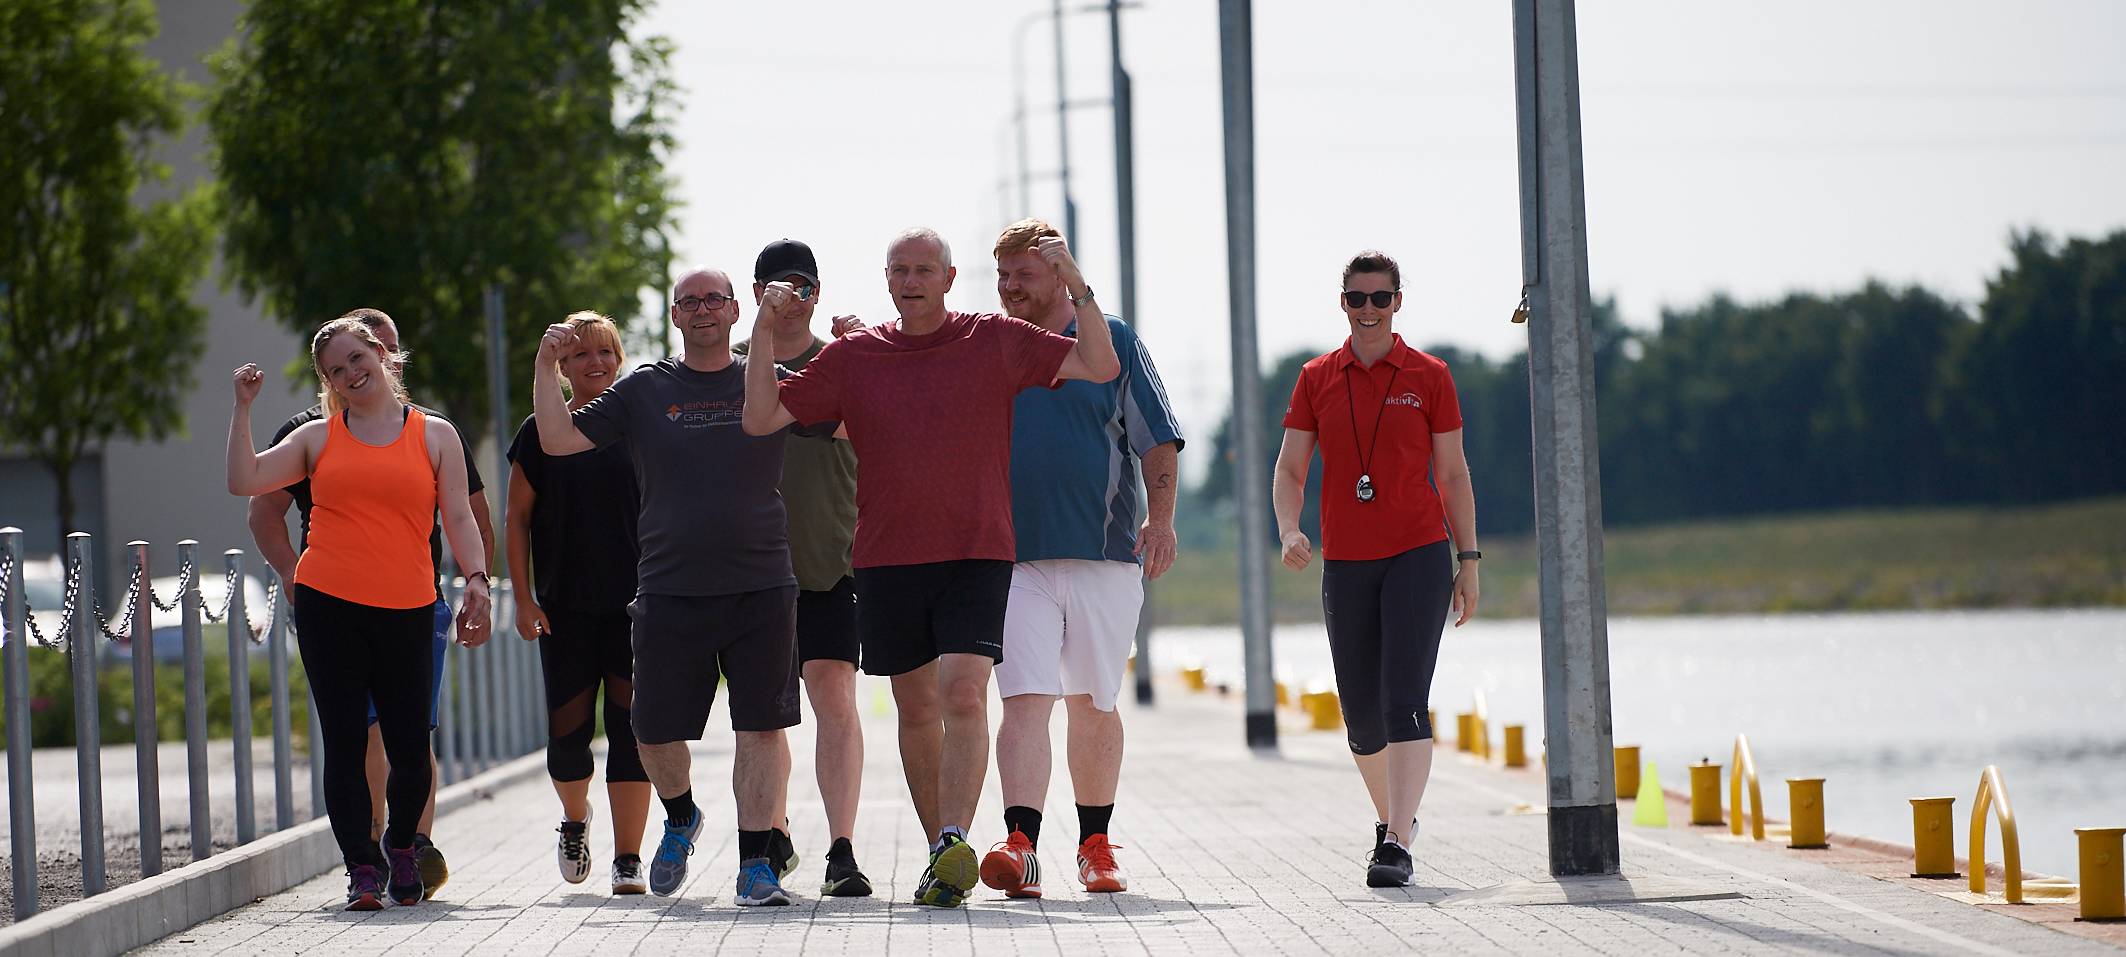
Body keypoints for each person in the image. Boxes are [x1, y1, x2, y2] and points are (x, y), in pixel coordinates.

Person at [742, 226, 1120, 908]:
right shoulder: (858, 356)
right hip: (887, 557)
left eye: (924, 269)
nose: (911, 279)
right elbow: (762, 415)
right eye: (900, 270)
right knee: (916, 706)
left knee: (965, 693)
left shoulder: (995, 338)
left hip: (978, 550)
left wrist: (1077, 282)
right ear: (888, 281)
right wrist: (764, 329)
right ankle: (938, 853)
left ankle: (954, 835)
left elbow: (1099, 364)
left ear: (948, 278)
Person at [532, 268, 822, 907]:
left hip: (761, 581)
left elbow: (851, 420)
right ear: (674, 315)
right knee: (652, 730)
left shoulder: (766, 377)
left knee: (761, 727)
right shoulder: (643, 389)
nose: (702, 311)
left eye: (713, 300)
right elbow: (555, 439)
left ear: (734, 310)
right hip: (669, 585)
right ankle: (683, 815)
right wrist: (545, 364)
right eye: (688, 302)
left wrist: (800, 334)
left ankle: (756, 866)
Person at [226, 318, 492, 910]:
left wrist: (477, 580)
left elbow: (460, 516)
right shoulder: (316, 438)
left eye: (356, 358)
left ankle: (401, 845)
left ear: (382, 354)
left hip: (408, 607)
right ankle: (362, 870)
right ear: (329, 382)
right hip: (329, 607)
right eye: (336, 370)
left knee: (409, 746)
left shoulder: (435, 434)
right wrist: (243, 409)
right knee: (344, 742)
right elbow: (244, 481)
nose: (351, 373)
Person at [978, 219, 1184, 900]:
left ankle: (1096, 845)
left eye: (1023, 276)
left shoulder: (1113, 341)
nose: (1009, 288)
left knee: (1093, 701)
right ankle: (1022, 844)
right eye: (1002, 276)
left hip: (1104, 556)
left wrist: (1161, 518)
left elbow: (1157, 438)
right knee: (1025, 700)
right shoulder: (995, 344)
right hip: (1014, 559)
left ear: (1062, 276)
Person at [1270, 250, 1481, 888]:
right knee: (1360, 714)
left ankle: (1393, 842)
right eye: (1357, 299)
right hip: (1347, 562)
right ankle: (1396, 820)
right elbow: (1289, 469)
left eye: (1380, 299)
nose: (1368, 310)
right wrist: (1289, 528)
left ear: (1397, 303)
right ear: (1343, 302)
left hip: (1418, 553)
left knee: (1402, 701)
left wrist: (1467, 560)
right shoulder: (1316, 377)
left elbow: (1451, 474)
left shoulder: (1430, 375)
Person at [733, 239, 873, 897]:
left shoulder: (845, 362)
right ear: (755, 292)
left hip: (830, 562)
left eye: (803, 288)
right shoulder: (730, 367)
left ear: (818, 293)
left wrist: (867, 353)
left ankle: (841, 847)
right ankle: (775, 829)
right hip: (749, 570)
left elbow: (872, 428)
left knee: (834, 696)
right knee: (765, 713)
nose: (790, 301)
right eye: (776, 289)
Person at [505, 311, 653, 895]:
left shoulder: (640, 424)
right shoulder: (540, 431)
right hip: (563, 608)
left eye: (606, 353)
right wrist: (522, 598)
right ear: (562, 368)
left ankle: (628, 859)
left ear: (620, 359)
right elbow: (516, 520)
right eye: (581, 356)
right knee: (568, 735)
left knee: (631, 731)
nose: (596, 364)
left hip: (636, 610)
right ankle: (574, 819)